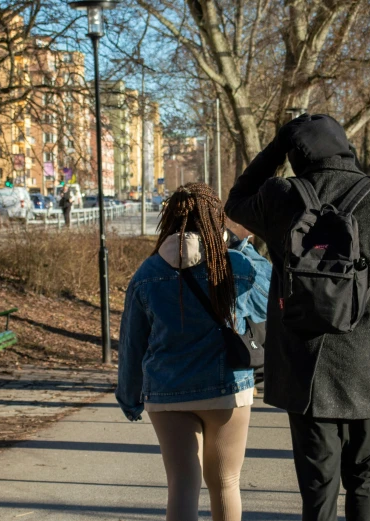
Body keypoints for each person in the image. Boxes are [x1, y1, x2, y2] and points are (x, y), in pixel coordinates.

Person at [225, 114, 370, 521]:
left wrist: (274, 151)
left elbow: (235, 202)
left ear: (295, 155)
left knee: (318, 487)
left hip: (304, 368)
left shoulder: (280, 196)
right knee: (365, 476)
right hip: (362, 362)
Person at [116, 183, 271, 521]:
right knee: (225, 483)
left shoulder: (147, 274)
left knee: (182, 485)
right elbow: (271, 297)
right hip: (227, 389)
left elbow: (132, 343)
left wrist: (130, 398)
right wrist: (243, 244)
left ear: (168, 219)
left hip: (166, 392)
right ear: (218, 221)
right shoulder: (235, 266)